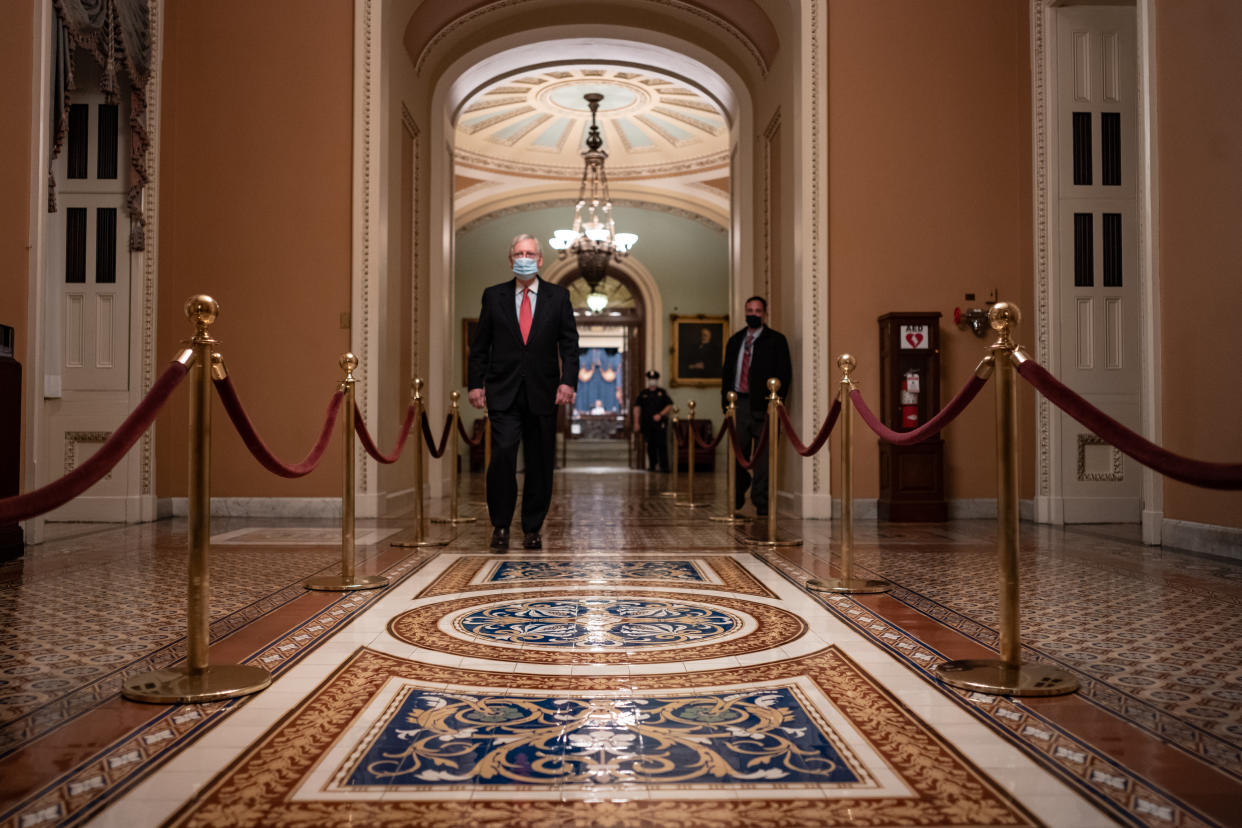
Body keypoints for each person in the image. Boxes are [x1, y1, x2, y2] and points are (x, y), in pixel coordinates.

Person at [467, 234, 579, 550]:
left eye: (530, 253)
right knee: (503, 456)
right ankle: (500, 525)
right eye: (518, 253)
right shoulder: (494, 296)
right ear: (511, 260)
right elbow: (480, 346)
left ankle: (532, 526)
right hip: (503, 391)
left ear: (541, 259)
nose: (524, 257)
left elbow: (570, 344)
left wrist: (567, 381)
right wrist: (476, 383)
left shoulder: (559, 297)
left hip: (544, 393)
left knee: (540, 462)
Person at [721, 296, 792, 517]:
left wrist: (776, 404)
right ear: (745, 312)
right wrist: (726, 404)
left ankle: (762, 503)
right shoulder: (735, 341)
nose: (753, 314)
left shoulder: (777, 340)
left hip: (765, 406)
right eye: (750, 310)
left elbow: (785, 374)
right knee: (738, 453)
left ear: (765, 314)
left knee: (764, 459)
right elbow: (726, 374)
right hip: (739, 405)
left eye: (758, 311)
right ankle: (738, 492)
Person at [632, 370, 673, 472]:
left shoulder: (661, 392)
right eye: (650, 379)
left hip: (660, 424)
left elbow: (669, 405)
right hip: (648, 424)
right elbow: (637, 408)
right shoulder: (643, 394)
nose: (652, 381)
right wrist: (636, 423)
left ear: (657, 380)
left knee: (662, 445)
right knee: (650, 446)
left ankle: (664, 467)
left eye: (654, 379)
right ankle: (652, 465)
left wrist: (660, 414)